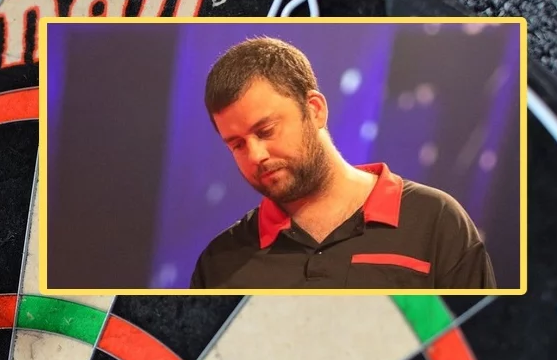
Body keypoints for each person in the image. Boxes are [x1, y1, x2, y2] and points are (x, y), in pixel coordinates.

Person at [189, 37, 496, 290]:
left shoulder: (436, 221)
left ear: (315, 110)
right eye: (237, 145)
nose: (255, 155)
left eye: (266, 131)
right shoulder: (219, 264)